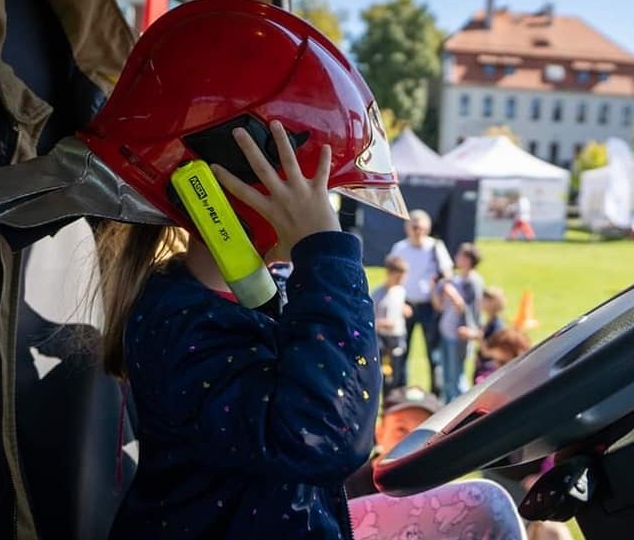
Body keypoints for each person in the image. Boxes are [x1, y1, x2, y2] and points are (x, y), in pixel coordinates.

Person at [46, 3, 410, 539]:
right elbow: (326, 434)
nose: (324, 208)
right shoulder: (184, 323)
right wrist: (326, 251)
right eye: (318, 192)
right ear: (249, 181)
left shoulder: (245, 298)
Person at [388, 210, 454, 394]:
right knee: (401, 351)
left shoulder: (435, 247)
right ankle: (400, 392)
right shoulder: (400, 248)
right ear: (407, 228)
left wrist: (439, 293)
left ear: (427, 228)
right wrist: (398, 302)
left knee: (434, 353)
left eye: (420, 227)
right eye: (413, 227)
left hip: (429, 306)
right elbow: (391, 277)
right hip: (405, 305)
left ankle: (436, 393)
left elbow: (448, 274)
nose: (417, 231)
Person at [344, 386, 442, 499]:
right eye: (401, 430)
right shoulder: (348, 489)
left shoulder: (439, 491)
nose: (412, 441)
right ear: (380, 433)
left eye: (423, 431)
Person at [433, 243, 485, 403]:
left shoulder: (473, 282)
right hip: (446, 333)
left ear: (468, 260)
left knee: (457, 376)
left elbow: (469, 309)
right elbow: (440, 305)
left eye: (461, 255)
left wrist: (453, 294)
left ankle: (461, 409)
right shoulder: (455, 279)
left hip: (460, 336)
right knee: (447, 375)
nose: (457, 258)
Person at [373, 255, 412, 396]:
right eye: (398, 276)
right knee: (384, 374)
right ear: (390, 273)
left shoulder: (400, 291)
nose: (401, 280)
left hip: (398, 336)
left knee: (399, 371)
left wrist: (404, 309)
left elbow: (398, 306)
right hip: (383, 339)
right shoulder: (378, 294)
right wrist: (381, 323)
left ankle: (396, 401)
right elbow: (370, 319)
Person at [473, 286, 507, 385]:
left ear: (492, 303)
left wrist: (479, 339)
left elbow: (492, 353)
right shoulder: (489, 321)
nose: (481, 301)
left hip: (488, 374)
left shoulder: (497, 326)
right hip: (482, 369)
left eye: (484, 299)